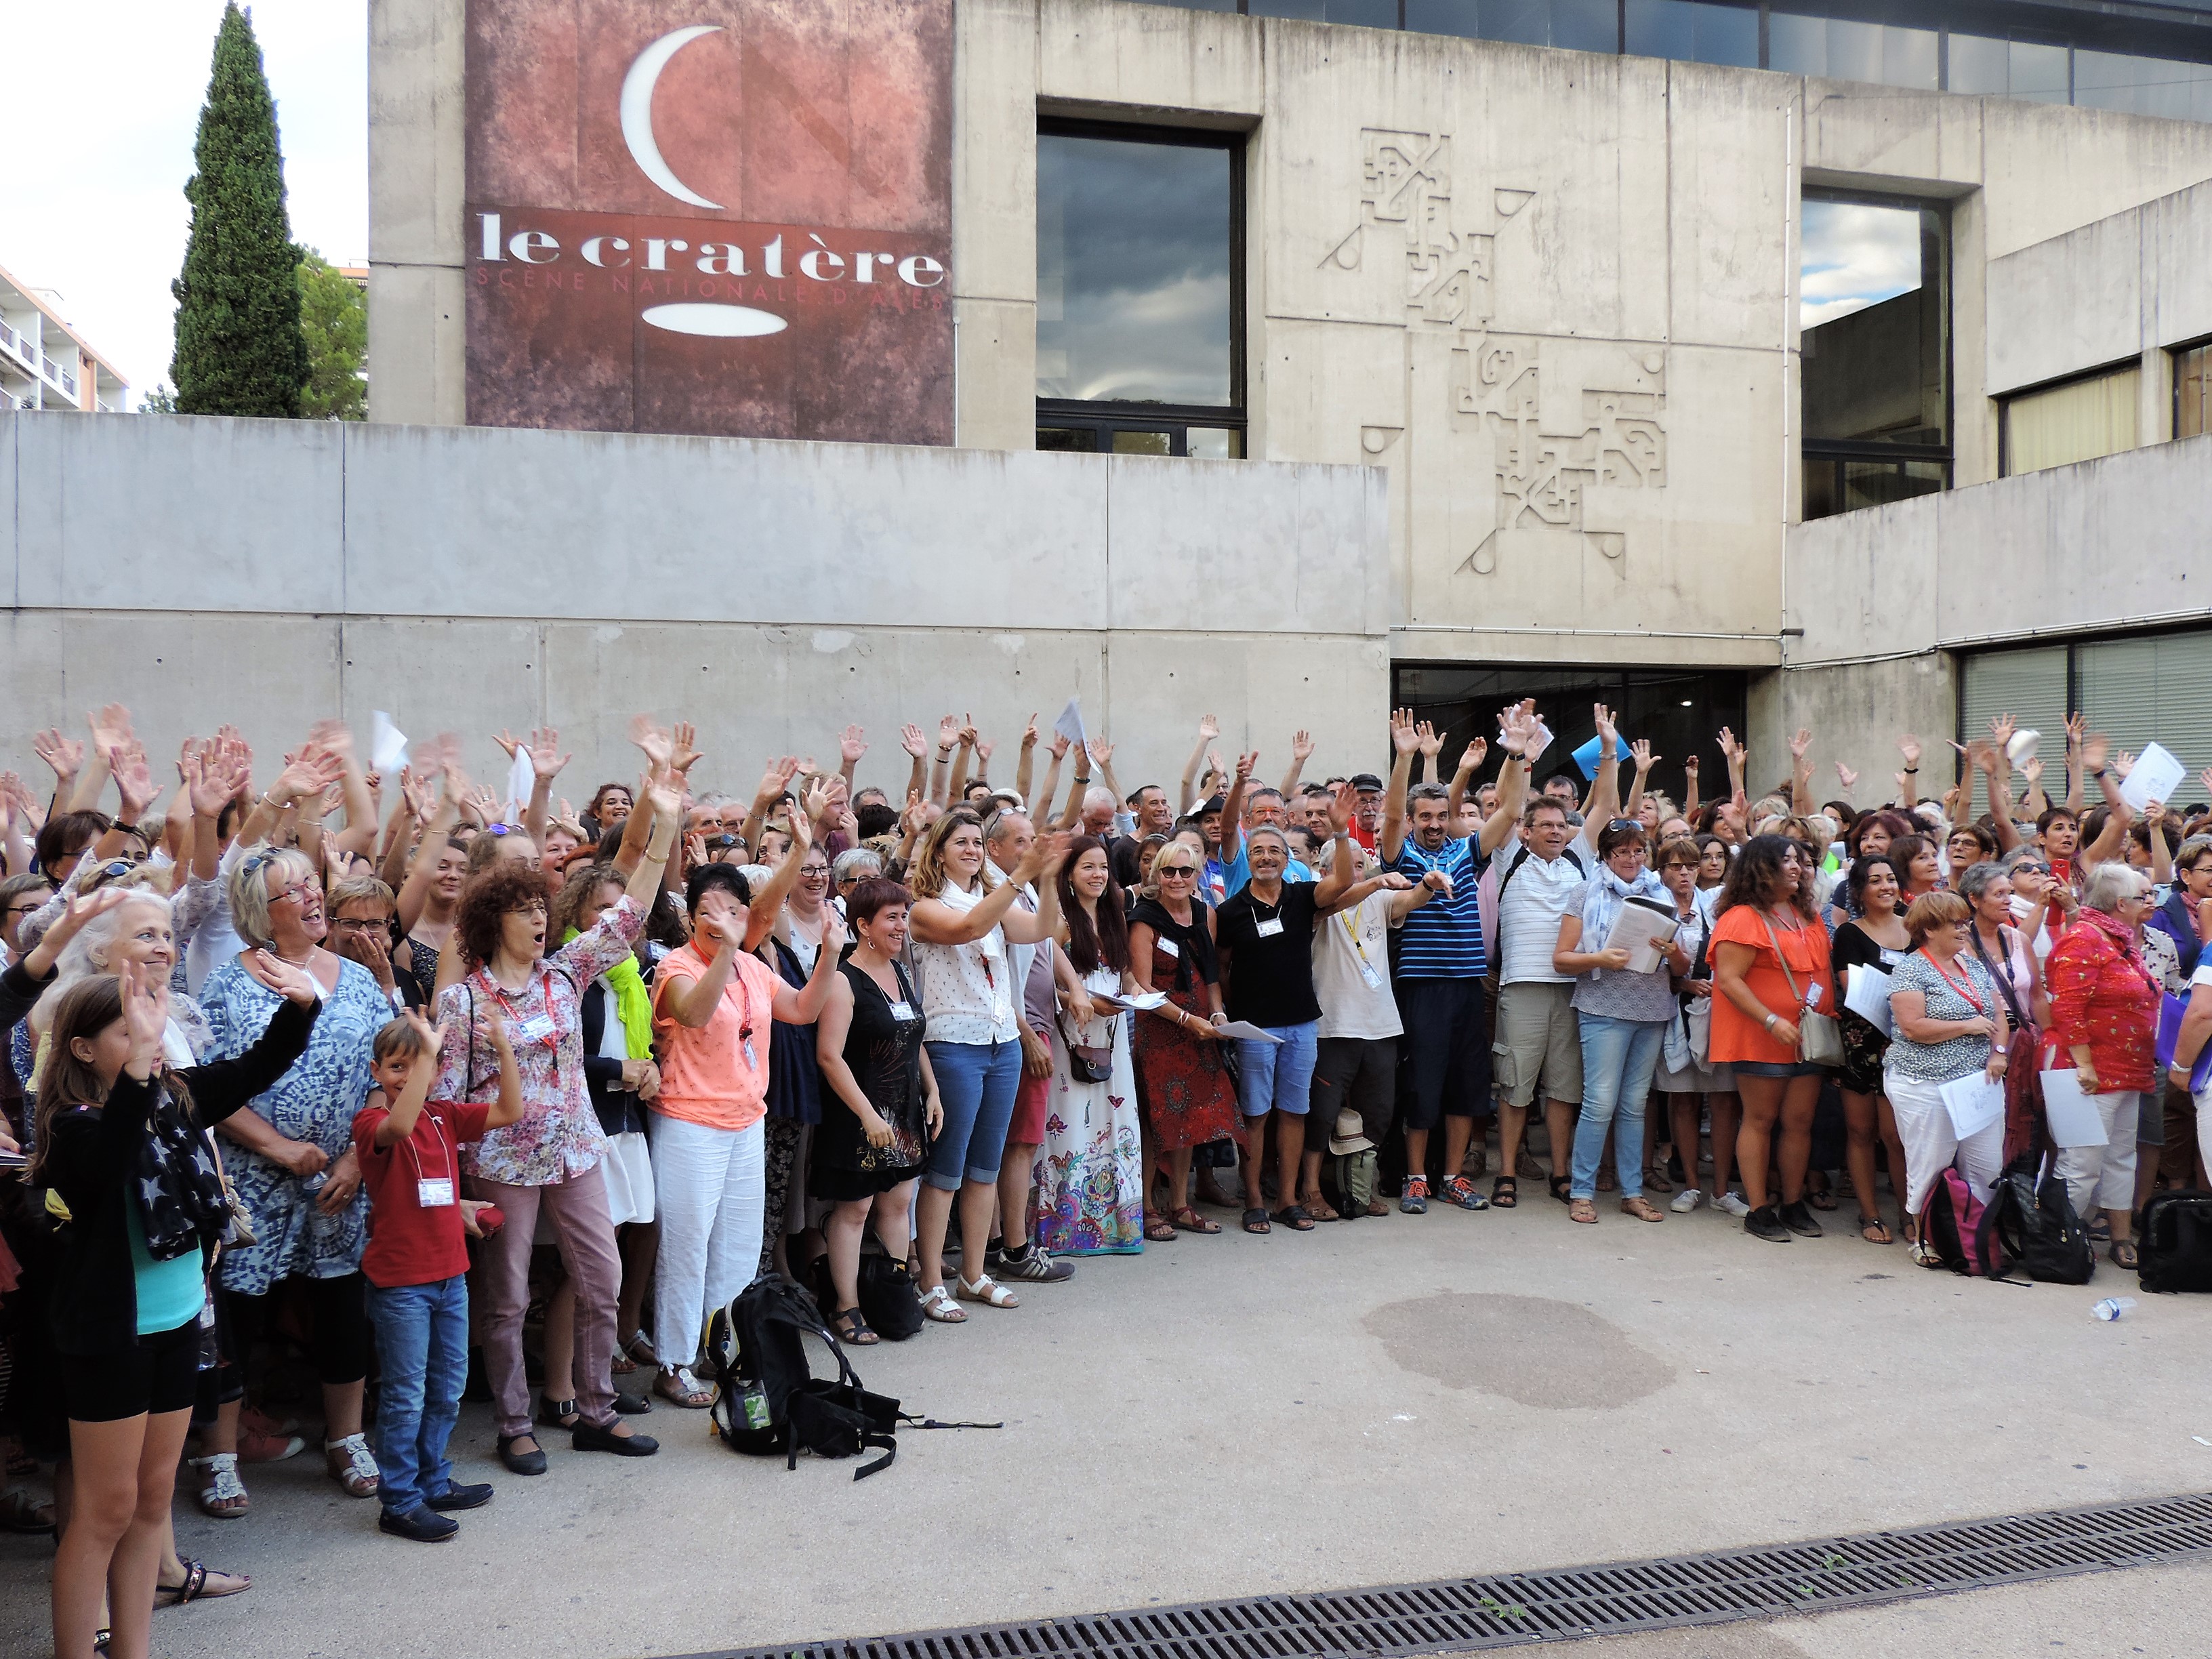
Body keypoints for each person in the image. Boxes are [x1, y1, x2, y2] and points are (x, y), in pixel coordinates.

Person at [37, 956, 318, 1659]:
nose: (151, 1037)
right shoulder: (74, 1127)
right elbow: (106, 1164)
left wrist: (303, 1005)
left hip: (177, 1325)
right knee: (103, 1514)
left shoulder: (177, 1096)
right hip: (112, 1338)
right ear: (82, 1048)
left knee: (149, 1505)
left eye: (154, 1023)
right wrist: (137, 1073)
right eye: (131, 1028)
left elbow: (259, 1066)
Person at [430, 779, 674, 1473]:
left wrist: (665, 826)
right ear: (492, 922)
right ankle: (514, 1423)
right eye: (523, 911)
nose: (539, 920)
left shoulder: (565, 975)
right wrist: (458, 1190)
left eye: (542, 907)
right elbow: (445, 1104)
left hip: (577, 1149)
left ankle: (595, 1409)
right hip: (504, 1163)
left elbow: (627, 916)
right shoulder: (463, 1004)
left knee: (603, 1278)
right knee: (507, 1299)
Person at [199, 848, 392, 1507]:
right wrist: (279, 1147)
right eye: (293, 891)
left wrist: (353, 1160)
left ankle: (346, 1439)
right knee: (238, 1320)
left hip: (339, 1184)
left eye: (313, 883)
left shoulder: (360, 981)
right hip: (253, 1181)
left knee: (342, 1313)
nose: (312, 897)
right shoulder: (229, 985)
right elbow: (211, 1087)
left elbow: (383, 1079)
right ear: (262, 913)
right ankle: (219, 1454)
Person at [650, 846, 842, 1404]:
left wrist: (829, 954)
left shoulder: (753, 967)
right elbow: (693, 1014)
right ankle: (673, 1361)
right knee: (688, 1247)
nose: (723, 917)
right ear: (690, 918)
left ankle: (723, 1350)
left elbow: (803, 1009)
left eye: (734, 907)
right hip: (690, 1124)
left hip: (746, 1121)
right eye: (709, 909)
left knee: (737, 1248)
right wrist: (725, 951)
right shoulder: (677, 966)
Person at [353, 1009, 521, 1542]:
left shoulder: (445, 1115)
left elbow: (510, 1110)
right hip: (402, 1284)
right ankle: (399, 1500)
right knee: (406, 1393)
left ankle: (431, 1480)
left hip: (452, 1277)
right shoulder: (373, 1126)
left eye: (418, 1064)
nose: (407, 1076)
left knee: (447, 1388)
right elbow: (399, 1123)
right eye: (396, 1067)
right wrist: (427, 1054)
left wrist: (504, 1048)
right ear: (377, 1071)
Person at [904, 808, 1065, 1322]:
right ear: (940, 851)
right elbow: (969, 927)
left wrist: (1048, 876)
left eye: (977, 842)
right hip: (953, 1045)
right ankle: (932, 1281)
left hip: (1002, 1044)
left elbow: (1043, 929)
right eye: (962, 843)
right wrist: (1018, 877)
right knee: (946, 1170)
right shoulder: (926, 907)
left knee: (984, 1169)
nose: (973, 850)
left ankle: (974, 1274)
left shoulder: (989, 897)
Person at [1380, 704, 1532, 1212]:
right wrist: (1405, 759)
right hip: (1422, 987)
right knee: (1423, 1086)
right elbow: (1393, 816)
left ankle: (1453, 1177)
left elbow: (1510, 811)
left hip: (1468, 983)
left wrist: (1513, 754)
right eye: (1426, 817)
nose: (1434, 824)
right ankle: (1416, 1178)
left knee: (1467, 1087)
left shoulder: (1467, 853)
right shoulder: (1401, 855)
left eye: (1441, 815)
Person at [536, 865, 661, 1411]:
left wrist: (647, 1069)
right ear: (577, 917)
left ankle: (595, 1384)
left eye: (622, 911)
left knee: (608, 1259)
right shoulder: (568, 975)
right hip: (588, 1129)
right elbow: (557, 1058)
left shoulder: (628, 975)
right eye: (600, 911)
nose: (616, 923)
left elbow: (637, 1048)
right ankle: (562, 1392)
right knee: (582, 1268)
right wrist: (620, 1068)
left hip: (622, 1122)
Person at [1493, 706, 1623, 1205]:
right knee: (1515, 1087)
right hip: (1522, 988)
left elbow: (1605, 804)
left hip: (1575, 990)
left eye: (1560, 823)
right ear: (1524, 830)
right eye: (1543, 823)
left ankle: (1562, 1172)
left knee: (1566, 1090)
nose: (1553, 830)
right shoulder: (1508, 854)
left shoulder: (1579, 857)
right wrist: (1517, 753)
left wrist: (1608, 749)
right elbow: (1506, 803)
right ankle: (1506, 1172)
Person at [1214, 795, 1359, 1234]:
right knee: (1256, 1114)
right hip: (1254, 1027)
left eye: (1275, 851)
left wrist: (1340, 832)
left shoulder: (1301, 897)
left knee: (1295, 1111)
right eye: (1257, 850)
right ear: (1248, 858)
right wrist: (1224, 1012)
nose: (1265, 857)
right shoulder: (1231, 911)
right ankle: (1254, 1198)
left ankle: (1288, 1199)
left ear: (1286, 859)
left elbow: (1345, 882)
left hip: (1300, 1023)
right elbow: (1218, 970)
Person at [811, 879, 939, 1345]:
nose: (901, 926)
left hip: (903, 1108)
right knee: (855, 1209)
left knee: (899, 1203)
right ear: (863, 925)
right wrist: (867, 1115)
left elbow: (912, 1037)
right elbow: (829, 1056)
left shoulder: (899, 972)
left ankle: (891, 1291)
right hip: (858, 1111)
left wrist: (933, 1090)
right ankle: (846, 1306)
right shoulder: (843, 980)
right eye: (891, 917)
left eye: (904, 916)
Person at [1551, 818, 1684, 1225]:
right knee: (1600, 1102)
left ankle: (1632, 1192)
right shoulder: (1585, 892)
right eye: (1621, 851)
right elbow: (1561, 959)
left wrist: (1673, 950)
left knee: (1633, 1105)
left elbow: (1681, 965)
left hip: (1652, 1008)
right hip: (1603, 1008)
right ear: (1606, 855)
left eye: (1638, 851)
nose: (1631, 859)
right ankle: (1582, 1192)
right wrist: (1599, 959)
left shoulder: (1662, 895)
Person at [1306, 836, 1446, 1219]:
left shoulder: (1377, 898)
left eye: (1361, 864)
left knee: (1378, 1112)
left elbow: (1409, 901)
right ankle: (1312, 1190)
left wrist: (1427, 886)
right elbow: (1333, 902)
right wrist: (1373, 881)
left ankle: (1358, 1189)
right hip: (1331, 1025)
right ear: (1326, 871)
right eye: (1348, 866)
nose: (1360, 871)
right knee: (1322, 1115)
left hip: (1380, 1025)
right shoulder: (1315, 900)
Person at [1708, 834, 1835, 1244]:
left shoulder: (1808, 914)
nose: (1797, 867)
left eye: (1799, 860)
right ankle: (1759, 1209)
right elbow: (1728, 980)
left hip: (1808, 1035)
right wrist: (1768, 1020)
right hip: (1762, 1033)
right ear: (1762, 868)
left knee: (1799, 1122)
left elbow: (1822, 973)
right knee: (1760, 1120)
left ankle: (1793, 1203)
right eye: (1786, 861)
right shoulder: (1742, 917)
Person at [1032, 836, 1145, 1254]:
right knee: (1069, 1123)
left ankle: (1115, 1226)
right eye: (1088, 868)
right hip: (1071, 1035)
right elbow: (1044, 984)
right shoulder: (1059, 919)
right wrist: (1078, 999)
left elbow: (1125, 973)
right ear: (1070, 874)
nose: (1098, 875)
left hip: (1112, 1035)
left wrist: (1134, 993)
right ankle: (1060, 1227)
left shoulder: (1115, 915)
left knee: (1114, 1123)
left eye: (1103, 868)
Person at [1884, 893, 2010, 1267]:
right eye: (1954, 923)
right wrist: (1965, 1026)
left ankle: (1979, 1238)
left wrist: (1999, 1054)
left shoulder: (1973, 967)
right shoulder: (1910, 969)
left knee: (1987, 1165)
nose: (1964, 928)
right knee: (1931, 1162)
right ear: (1928, 929)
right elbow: (1912, 1027)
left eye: (1963, 921)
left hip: (1978, 1084)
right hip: (1924, 1082)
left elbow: (1999, 1017)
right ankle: (1925, 1241)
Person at [2047, 861, 2162, 1269]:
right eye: (2142, 897)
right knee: (2082, 1162)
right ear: (2121, 903)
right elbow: (2068, 1008)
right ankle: (2063, 1242)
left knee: (2119, 1156)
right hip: (2089, 1071)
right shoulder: (2083, 938)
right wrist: (2085, 1065)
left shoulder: (2117, 940)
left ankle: (2118, 1236)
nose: (2149, 902)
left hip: (2129, 1067)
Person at [1126, 842, 1242, 1233]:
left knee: (1190, 1115)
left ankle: (1179, 1204)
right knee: (1154, 1119)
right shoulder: (1144, 918)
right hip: (1161, 1026)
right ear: (1157, 874)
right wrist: (1186, 1019)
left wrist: (1217, 1012)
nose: (1177, 879)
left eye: (1186, 872)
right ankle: (1145, 1207)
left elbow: (1211, 972)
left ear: (1197, 876)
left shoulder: (1204, 912)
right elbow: (1141, 988)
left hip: (1199, 1027)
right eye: (1169, 871)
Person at [1649, 836, 1737, 1213]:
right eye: (1675, 865)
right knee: (1682, 1100)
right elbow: (1644, 966)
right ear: (1662, 870)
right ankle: (1689, 1184)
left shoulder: (1716, 907)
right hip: (1672, 1010)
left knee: (1723, 1100)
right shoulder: (1654, 909)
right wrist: (1682, 984)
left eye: (1690, 865)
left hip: (1717, 1010)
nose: (1684, 872)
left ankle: (1722, 1190)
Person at [1828, 856, 1912, 1245]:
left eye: (1891, 879)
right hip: (1863, 1040)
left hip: (1910, 1042)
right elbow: (1850, 986)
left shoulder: (1917, 925)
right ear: (1859, 891)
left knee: (1896, 1136)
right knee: (1861, 1130)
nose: (1886, 886)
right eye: (1875, 880)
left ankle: (1908, 1213)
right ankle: (1870, 1212)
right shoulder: (1848, 933)